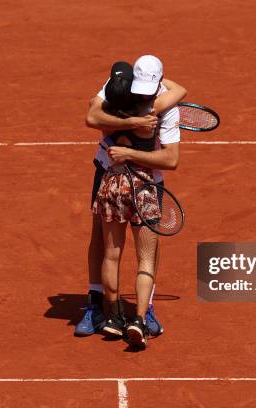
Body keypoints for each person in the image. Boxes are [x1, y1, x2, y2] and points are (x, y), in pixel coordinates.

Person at [74, 56, 185, 338]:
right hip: (128, 177)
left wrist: (124, 147)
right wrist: (136, 122)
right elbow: (91, 117)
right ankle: (102, 305)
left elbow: (94, 115)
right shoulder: (145, 99)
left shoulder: (120, 91)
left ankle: (126, 313)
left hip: (121, 180)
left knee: (120, 250)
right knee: (110, 242)